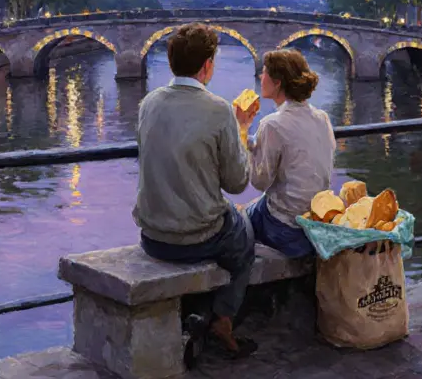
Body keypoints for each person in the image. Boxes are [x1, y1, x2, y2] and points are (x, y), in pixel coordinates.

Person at [133, 23, 256, 358]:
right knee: (243, 233)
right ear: (207, 66)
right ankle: (224, 319)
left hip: (153, 236)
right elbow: (237, 183)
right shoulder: (218, 110)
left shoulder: (148, 103)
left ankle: (197, 317)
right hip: (197, 237)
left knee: (217, 219)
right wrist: (242, 128)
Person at [242, 49, 335, 259]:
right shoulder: (322, 118)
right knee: (254, 207)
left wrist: (242, 134)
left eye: (264, 73)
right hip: (314, 219)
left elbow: (259, 182)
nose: (260, 76)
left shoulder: (272, 124)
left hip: (285, 227)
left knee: (238, 219)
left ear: (277, 83)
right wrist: (251, 142)